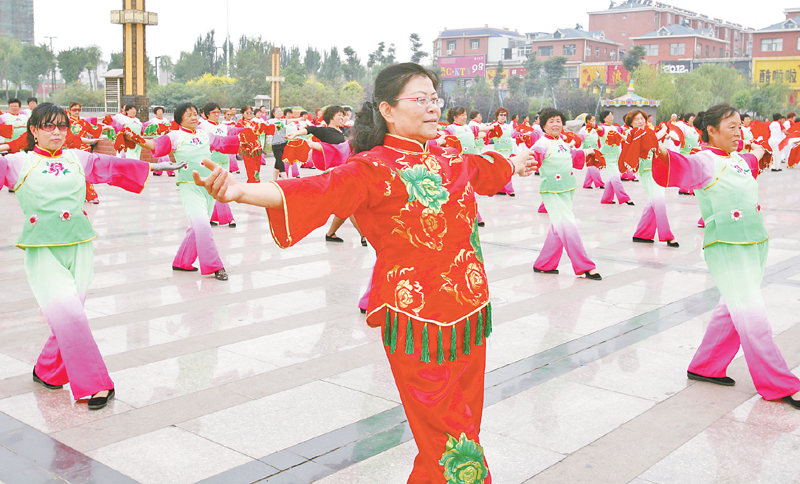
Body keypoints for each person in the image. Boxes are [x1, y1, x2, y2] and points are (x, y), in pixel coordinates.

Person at [194, 62, 537, 483]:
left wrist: (516, 162)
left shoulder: (448, 154)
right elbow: (317, 188)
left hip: (470, 314)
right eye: (421, 99)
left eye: (435, 98)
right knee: (458, 450)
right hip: (418, 322)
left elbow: (485, 169)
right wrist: (243, 191)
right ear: (388, 110)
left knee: (454, 438)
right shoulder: (371, 169)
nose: (433, 108)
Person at [0, 103, 182, 410]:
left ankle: (46, 370)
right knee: (69, 315)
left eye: (61, 126)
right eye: (48, 126)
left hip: (81, 244)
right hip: (42, 249)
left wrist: (156, 166)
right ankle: (96, 384)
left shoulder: (76, 157)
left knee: (72, 315)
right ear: (33, 131)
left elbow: (112, 168)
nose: (56, 132)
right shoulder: (18, 162)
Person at [652, 103, 800, 410]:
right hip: (728, 246)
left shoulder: (737, 159)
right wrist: (663, 153)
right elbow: (681, 166)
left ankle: (705, 366)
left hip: (755, 242)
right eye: (731, 126)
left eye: (739, 126)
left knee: (731, 308)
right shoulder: (703, 161)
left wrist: (759, 153)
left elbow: (751, 158)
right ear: (712, 130)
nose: (738, 132)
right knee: (753, 315)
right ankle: (779, 384)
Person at [137, 102, 252, 281]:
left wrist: (246, 139)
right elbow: (154, 144)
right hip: (189, 185)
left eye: (195, 114)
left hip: (209, 185)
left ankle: (182, 261)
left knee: (199, 225)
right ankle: (216, 266)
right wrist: (135, 139)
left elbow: (224, 143)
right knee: (202, 224)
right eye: (188, 114)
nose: (193, 117)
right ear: (180, 118)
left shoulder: (204, 134)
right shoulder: (175, 135)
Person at [530, 108, 602, 280]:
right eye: (551, 121)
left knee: (558, 226)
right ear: (544, 125)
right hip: (552, 191)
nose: (556, 124)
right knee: (569, 225)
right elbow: (532, 157)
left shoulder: (562, 141)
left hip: (568, 189)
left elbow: (573, 155)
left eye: (558, 121)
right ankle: (585, 266)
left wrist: (589, 152)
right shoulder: (541, 144)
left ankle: (544, 264)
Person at [286, 105, 367, 245]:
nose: (342, 118)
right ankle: (364, 235)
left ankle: (331, 233)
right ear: (331, 117)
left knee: (347, 205)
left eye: (343, 115)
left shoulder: (343, 131)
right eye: (339, 115)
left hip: (348, 171)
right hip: (337, 173)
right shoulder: (325, 131)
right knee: (352, 203)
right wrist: (296, 134)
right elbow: (310, 129)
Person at [621, 109, 678, 248]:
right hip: (647, 172)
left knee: (654, 201)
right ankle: (668, 236)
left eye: (642, 118)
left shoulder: (646, 132)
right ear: (631, 123)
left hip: (657, 169)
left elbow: (655, 138)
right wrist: (664, 128)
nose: (640, 121)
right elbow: (655, 136)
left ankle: (642, 233)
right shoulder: (634, 133)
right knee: (659, 201)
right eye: (637, 119)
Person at [200, 102, 245, 228]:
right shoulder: (202, 126)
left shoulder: (224, 126)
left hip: (224, 160)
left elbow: (236, 133)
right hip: (210, 162)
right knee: (215, 188)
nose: (217, 114)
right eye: (214, 112)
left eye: (218, 112)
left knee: (222, 187)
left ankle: (212, 217)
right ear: (207, 114)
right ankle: (228, 218)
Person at [597, 111, 634, 205]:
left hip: (617, 155)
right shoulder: (603, 128)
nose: (611, 117)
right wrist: (594, 125)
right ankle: (624, 197)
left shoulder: (614, 127)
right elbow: (599, 129)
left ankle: (607, 198)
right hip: (607, 156)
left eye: (612, 115)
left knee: (613, 176)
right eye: (609, 116)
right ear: (604, 118)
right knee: (615, 176)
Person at [146, 106, 177, 177]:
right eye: (158, 111)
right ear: (155, 112)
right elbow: (148, 129)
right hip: (158, 140)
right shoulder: (153, 121)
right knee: (165, 156)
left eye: (161, 111)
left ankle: (157, 171)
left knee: (162, 156)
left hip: (166, 139)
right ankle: (170, 171)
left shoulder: (166, 120)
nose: (160, 112)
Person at [579, 114, 604, 189]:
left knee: (592, 166)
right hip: (588, 151)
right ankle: (600, 183)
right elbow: (579, 139)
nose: (594, 121)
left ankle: (587, 184)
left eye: (594, 120)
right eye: (592, 120)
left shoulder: (594, 130)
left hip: (595, 149)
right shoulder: (583, 130)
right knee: (593, 166)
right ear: (588, 121)